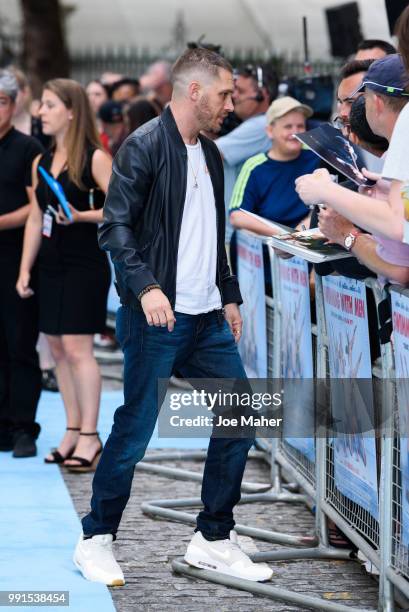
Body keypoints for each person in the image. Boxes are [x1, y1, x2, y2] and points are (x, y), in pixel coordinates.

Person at [73, 47, 273, 587]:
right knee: (136, 429)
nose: (232, 104)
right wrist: (147, 288)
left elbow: (212, 237)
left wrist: (228, 294)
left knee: (241, 419)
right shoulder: (142, 147)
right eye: (226, 93)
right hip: (157, 316)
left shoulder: (209, 153)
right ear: (194, 91)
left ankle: (212, 536)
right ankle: (96, 537)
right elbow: (114, 229)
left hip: (207, 317)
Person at [16, 78, 112, 471]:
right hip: (49, 266)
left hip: (84, 264)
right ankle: (72, 429)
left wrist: (83, 216)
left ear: (72, 111)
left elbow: (122, 209)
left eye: (50, 105)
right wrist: (24, 269)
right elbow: (36, 217)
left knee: (78, 350)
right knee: (56, 349)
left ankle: (90, 435)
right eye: (41, 106)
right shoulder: (41, 160)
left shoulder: (95, 157)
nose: (41, 113)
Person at [295, 54, 409, 284]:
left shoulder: (403, 138)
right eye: (341, 102)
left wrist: (345, 231)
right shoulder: (391, 156)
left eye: (357, 100)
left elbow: (401, 265)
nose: (345, 112)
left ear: (375, 102)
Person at [0, 70, 43, 458]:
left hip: (16, 258)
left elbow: (37, 206)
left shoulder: (28, 148)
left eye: (1, 101)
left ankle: (22, 427)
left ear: (14, 106)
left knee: (20, 344)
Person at [229, 96, 318, 236]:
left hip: (308, 239)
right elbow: (236, 215)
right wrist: (284, 237)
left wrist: (300, 234)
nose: (295, 133)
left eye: (300, 126)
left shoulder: (317, 156)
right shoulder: (254, 166)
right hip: (268, 245)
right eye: (288, 127)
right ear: (270, 131)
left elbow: (327, 204)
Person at [215, 64, 278, 235]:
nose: (234, 96)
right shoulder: (259, 124)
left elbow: (211, 153)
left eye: (240, 91)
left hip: (235, 232)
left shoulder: (261, 125)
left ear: (262, 94)